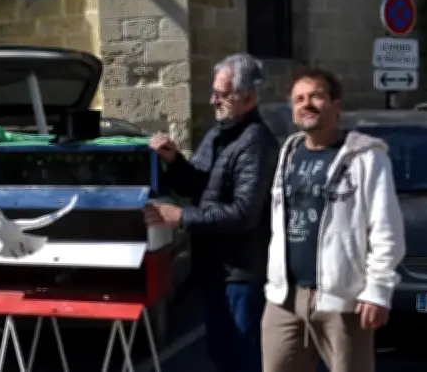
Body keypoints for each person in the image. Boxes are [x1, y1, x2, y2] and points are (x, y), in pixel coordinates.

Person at [261, 67, 406, 372]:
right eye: (299, 99)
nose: (306, 104)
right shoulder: (289, 153)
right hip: (284, 298)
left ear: (336, 105)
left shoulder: (366, 157)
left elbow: (386, 228)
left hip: (343, 300)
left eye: (316, 96)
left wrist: (378, 290)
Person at [145, 54, 278, 372]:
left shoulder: (255, 142)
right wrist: (174, 160)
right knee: (221, 355)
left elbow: (244, 213)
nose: (212, 100)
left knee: (243, 359)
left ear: (247, 97)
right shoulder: (219, 133)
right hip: (216, 270)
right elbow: (197, 185)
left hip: (241, 274)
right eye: (214, 92)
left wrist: (181, 218)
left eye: (221, 94)